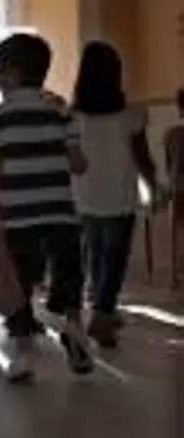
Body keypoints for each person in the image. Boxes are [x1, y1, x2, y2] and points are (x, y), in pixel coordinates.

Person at [0, 33, 94, 383]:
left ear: (12, 74)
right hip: (61, 214)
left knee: (19, 286)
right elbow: (79, 165)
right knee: (69, 275)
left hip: (18, 218)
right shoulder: (60, 112)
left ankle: (24, 354)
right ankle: (74, 327)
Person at [71, 42, 161, 348]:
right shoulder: (132, 114)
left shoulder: (72, 116)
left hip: (84, 194)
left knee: (96, 251)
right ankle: (102, 315)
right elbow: (142, 156)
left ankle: (102, 307)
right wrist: (154, 184)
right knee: (115, 258)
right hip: (119, 195)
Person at [165, 88, 184, 288]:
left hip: (178, 186)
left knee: (176, 231)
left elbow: (169, 165)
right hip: (177, 186)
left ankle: (175, 275)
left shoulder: (172, 134)